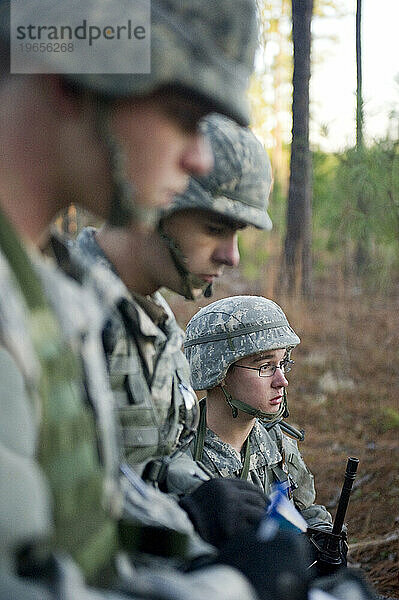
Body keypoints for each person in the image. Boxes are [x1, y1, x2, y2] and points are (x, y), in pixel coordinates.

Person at [0, 0, 278, 598]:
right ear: (73, 72)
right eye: (183, 115)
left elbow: (90, 519)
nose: (201, 156)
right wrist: (231, 588)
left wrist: (204, 542)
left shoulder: (53, 287)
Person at [72, 113, 273, 550]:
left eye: (237, 234)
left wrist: (210, 496)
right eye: (214, 228)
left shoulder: (162, 327)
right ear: (156, 205)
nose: (231, 256)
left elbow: (158, 461)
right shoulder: (65, 313)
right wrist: (187, 516)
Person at [172, 295, 347, 571]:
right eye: (265, 366)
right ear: (219, 372)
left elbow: (304, 510)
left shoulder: (276, 442)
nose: (282, 380)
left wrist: (324, 540)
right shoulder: (178, 455)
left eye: (283, 363)